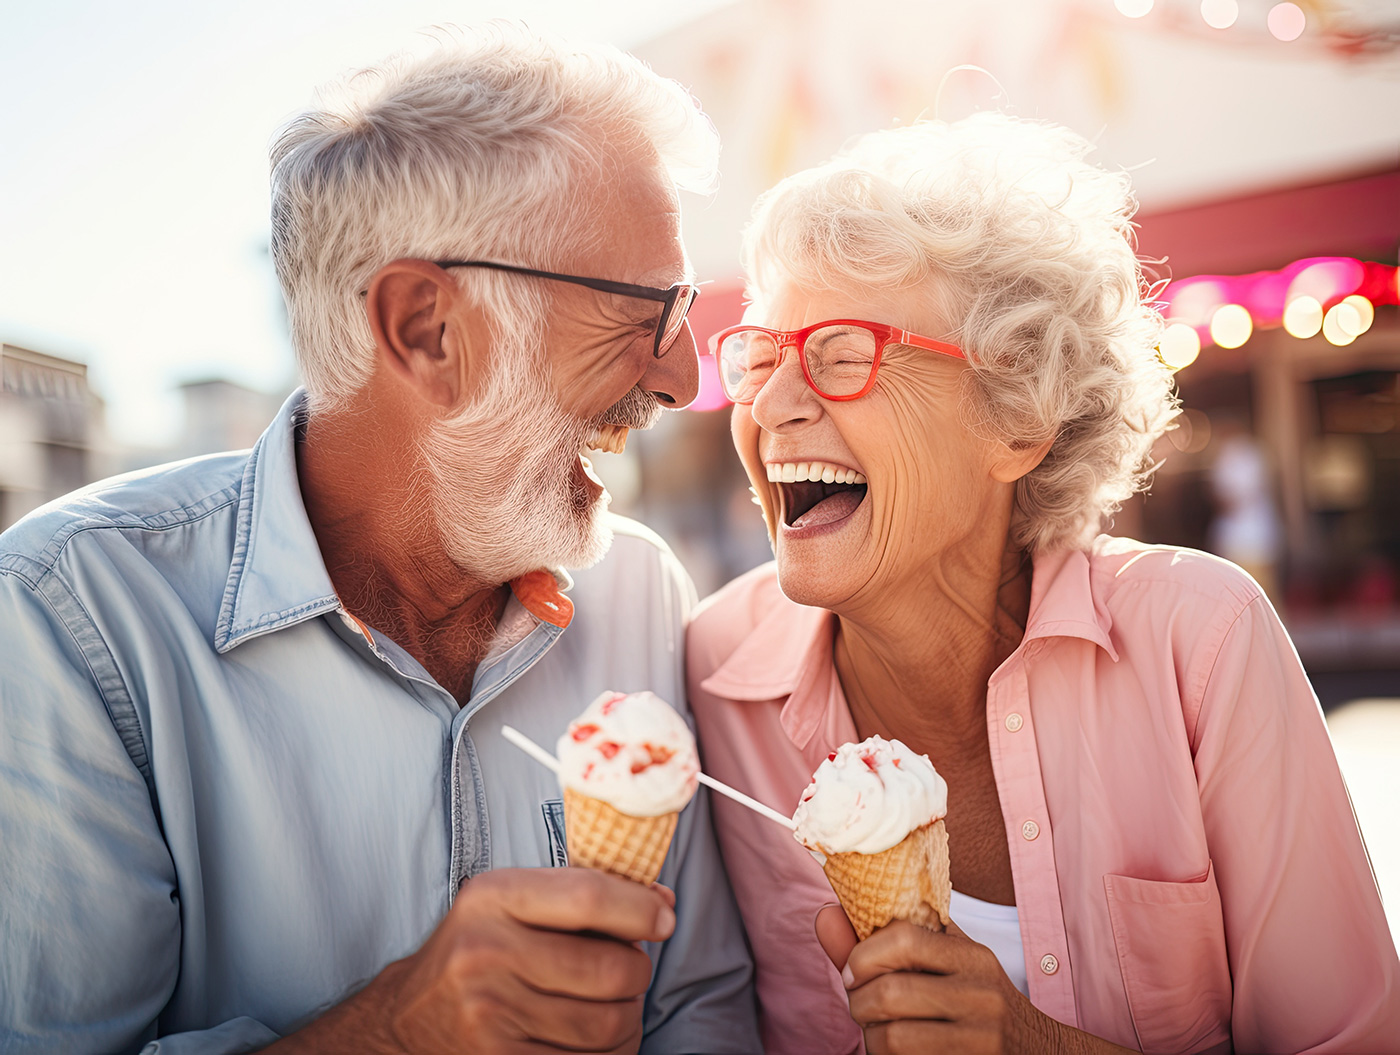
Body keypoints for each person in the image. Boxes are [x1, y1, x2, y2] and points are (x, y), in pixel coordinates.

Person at [0, 25, 759, 1055]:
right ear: (425, 329)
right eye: (643, 309)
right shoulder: (73, 617)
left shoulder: (641, 590)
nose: (675, 375)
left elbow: (698, 1006)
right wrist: (399, 1029)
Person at [687, 112, 1400, 1054]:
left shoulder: (1202, 640)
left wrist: (1036, 1044)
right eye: (761, 355)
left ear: (1018, 420)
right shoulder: (711, 673)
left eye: (843, 353)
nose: (771, 403)